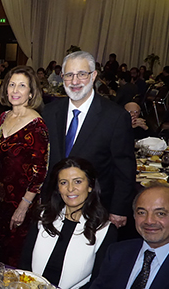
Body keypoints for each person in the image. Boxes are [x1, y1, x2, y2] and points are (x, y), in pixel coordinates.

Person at [42, 51, 135, 230]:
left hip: (95, 208)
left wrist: (118, 208)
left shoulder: (115, 117)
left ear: (93, 76)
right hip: (54, 204)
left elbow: (124, 168)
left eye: (82, 74)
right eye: (69, 75)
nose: (75, 81)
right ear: (62, 77)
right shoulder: (49, 112)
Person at [19, 158, 117, 289]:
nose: (70, 189)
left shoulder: (104, 230)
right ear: (58, 188)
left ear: (90, 186)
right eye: (63, 183)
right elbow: (25, 262)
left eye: (78, 181)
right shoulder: (44, 216)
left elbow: (98, 281)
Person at [0, 66, 49, 266]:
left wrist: (23, 207)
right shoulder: (3, 118)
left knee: (13, 258)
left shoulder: (37, 126)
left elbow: (40, 173)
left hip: (20, 202)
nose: (15, 90)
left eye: (22, 86)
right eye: (12, 84)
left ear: (31, 93)